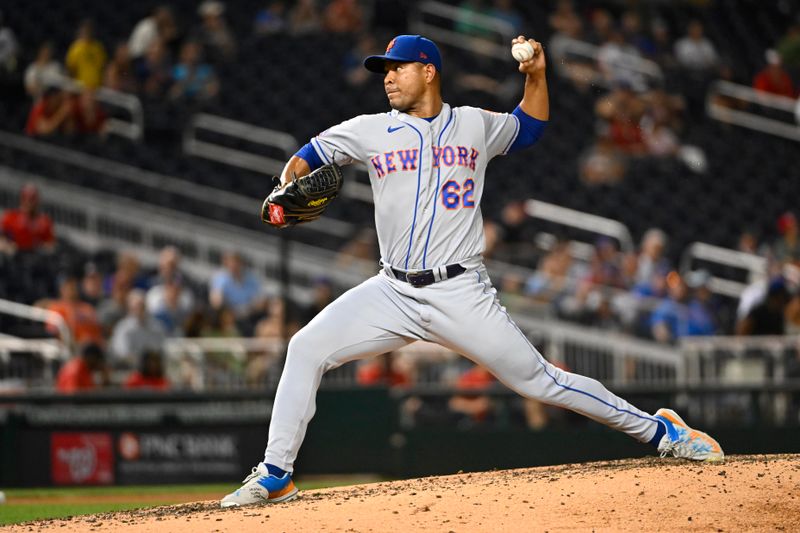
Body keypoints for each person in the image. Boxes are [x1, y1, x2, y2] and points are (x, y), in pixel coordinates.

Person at [220, 34, 723, 508]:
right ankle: (275, 473)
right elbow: (306, 158)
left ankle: (662, 431)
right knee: (305, 347)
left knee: (541, 382)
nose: (388, 78)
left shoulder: (475, 124)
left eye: (398, 69)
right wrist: (285, 189)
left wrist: (536, 74)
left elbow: (531, 126)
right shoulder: (369, 129)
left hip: (461, 290)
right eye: (384, 71)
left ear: (429, 71)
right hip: (391, 290)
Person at [1, 183, 55, 254]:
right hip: (13, 257)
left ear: (37, 201)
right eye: (25, 198)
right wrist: (7, 247)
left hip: (34, 258)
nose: (28, 202)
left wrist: (40, 249)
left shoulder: (45, 222)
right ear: (21, 199)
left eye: (32, 199)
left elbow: (50, 245)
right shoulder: (10, 217)